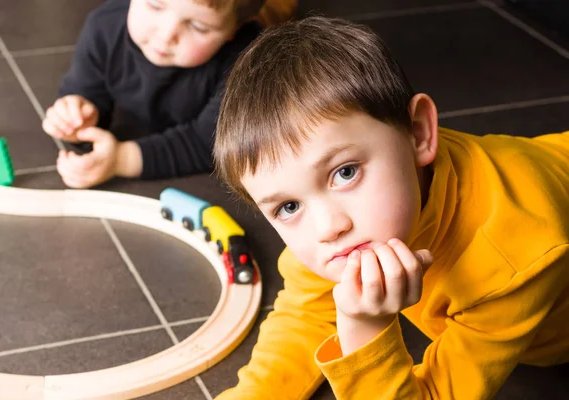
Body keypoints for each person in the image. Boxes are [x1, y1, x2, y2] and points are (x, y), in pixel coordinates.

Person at [213, 16, 569, 399]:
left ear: (418, 133)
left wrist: (365, 329)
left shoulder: (516, 256)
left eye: (345, 172)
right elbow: (306, 313)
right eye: (287, 206)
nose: (328, 226)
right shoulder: (338, 221)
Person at [41, 0, 297, 188]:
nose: (165, 35)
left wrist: (121, 159)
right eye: (154, 6)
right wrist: (77, 110)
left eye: (198, 26)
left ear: (233, 31)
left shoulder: (246, 63)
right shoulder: (105, 27)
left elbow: (208, 143)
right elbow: (85, 87)